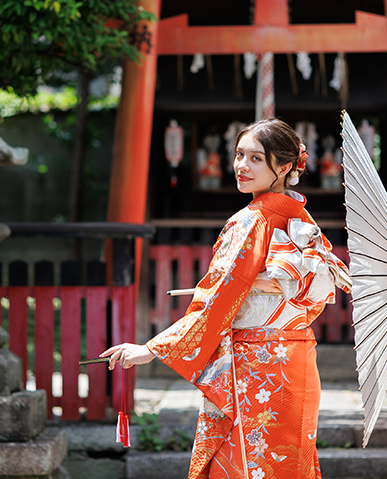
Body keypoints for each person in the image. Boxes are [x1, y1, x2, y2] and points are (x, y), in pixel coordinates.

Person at [101, 118, 352, 479]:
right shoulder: (304, 221)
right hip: (296, 361)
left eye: (256, 159)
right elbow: (311, 299)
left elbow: (216, 301)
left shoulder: (251, 221)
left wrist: (151, 349)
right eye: (239, 155)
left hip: (256, 370)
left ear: (284, 167)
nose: (241, 166)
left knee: (245, 468)